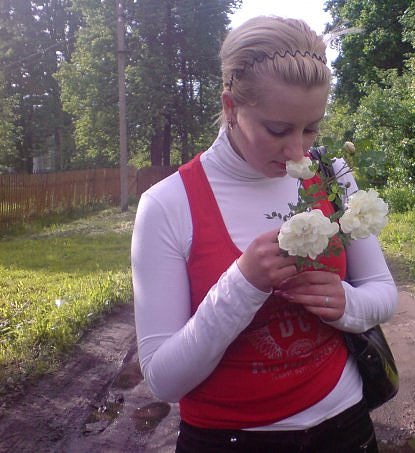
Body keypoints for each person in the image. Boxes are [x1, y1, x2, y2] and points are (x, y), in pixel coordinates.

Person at [131, 16, 398, 453]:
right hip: (229, 440)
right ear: (230, 107)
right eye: (278, 130)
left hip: (346, 423)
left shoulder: (331, 174)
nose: (298, 150)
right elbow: (163, 380)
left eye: (311, 127)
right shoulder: (167, 204)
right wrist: (242, 284)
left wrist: (346, 304)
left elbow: (383, 293)